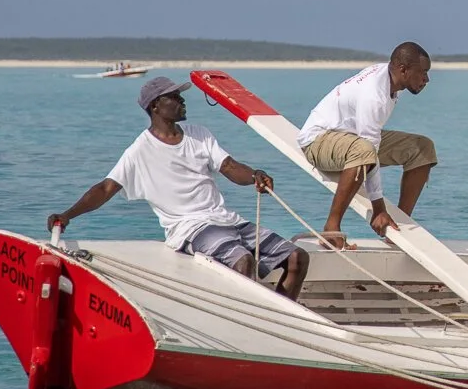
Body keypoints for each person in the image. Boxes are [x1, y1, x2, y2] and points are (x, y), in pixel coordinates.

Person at [47, 75, 310, 300]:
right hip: (191, 228)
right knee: (244, 261)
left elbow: (229, 167)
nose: (182, 101)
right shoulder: (140, 150)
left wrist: (255, 175)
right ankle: (258, 322)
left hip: (226, 220)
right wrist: (67, 215)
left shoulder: (199, 134)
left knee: (298, 258)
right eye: (174, 97)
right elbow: (105, 189)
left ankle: (281, 315)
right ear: (155, 107)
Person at [298, 42, 436, 248]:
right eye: (422, 73)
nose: (427, 79)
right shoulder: (374, 96)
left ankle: (400, 226)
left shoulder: (389, 76)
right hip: (319, 140)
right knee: (364, 150)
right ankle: (331, 227)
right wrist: (378, 208)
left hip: (350, 137)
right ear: (403, 70)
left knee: (422, 148)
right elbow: (368, 148)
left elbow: (369, 142)